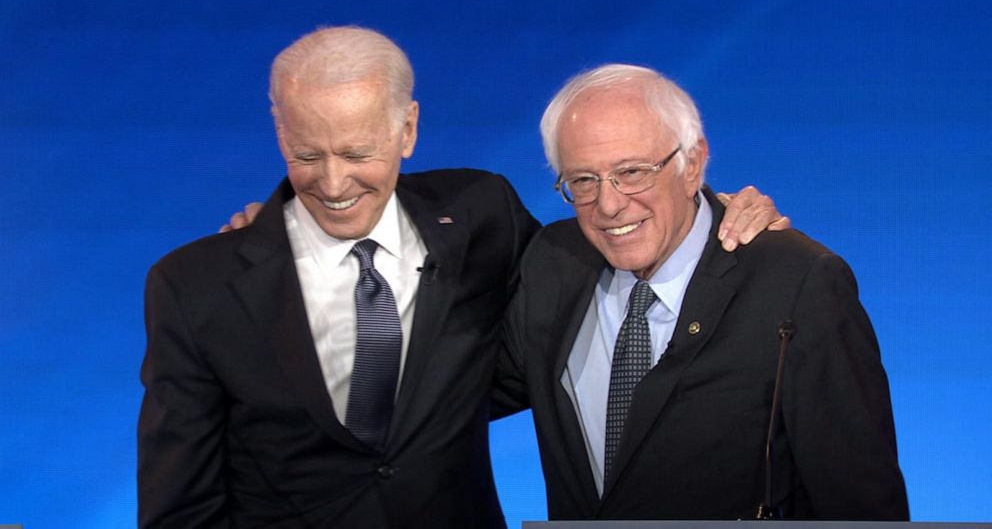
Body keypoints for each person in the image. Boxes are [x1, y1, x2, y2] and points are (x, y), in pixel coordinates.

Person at [139, 26, 787, 528]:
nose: (333, 184)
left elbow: (604, 259)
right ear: (279, 129)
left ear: (408, 129)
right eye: (308, 154)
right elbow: (180, 505)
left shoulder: (482, 215)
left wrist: (710, 206)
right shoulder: (195, 288)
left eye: (358, 153)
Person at [495, 64, 909, 520]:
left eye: (632, 172)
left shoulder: (797, 283)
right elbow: (444, 398)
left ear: (691, 164)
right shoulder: (552, 264)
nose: (609, 205)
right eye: (583, 181)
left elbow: (862, 503)